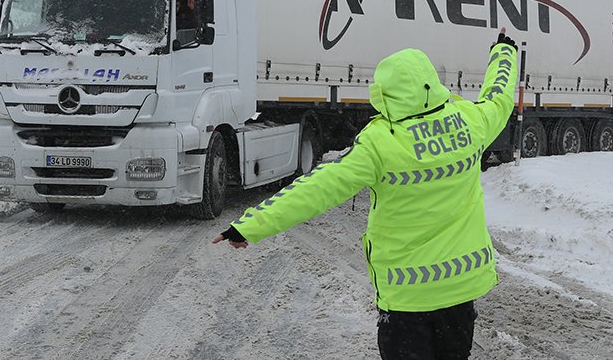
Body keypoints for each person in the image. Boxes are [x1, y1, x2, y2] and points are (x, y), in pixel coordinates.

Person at [212, 30, 519, 360]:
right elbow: (498, 96)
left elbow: (318, 188)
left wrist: (251, 225)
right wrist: (504, 52)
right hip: (460, 293)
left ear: (385, 94)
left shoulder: (380, 142)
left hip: (407, 300)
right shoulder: (470, 122)